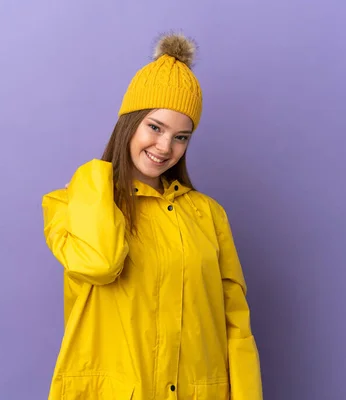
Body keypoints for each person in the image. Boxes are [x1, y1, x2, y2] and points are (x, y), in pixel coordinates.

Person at [42, 32, 263, 400]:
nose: (165, 147)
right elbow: (99, 264)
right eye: (155, 127)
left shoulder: (208, 215)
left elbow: (236, 324)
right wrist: (97, 174)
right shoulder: (73, 203)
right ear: (130, 122)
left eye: (182, 137)